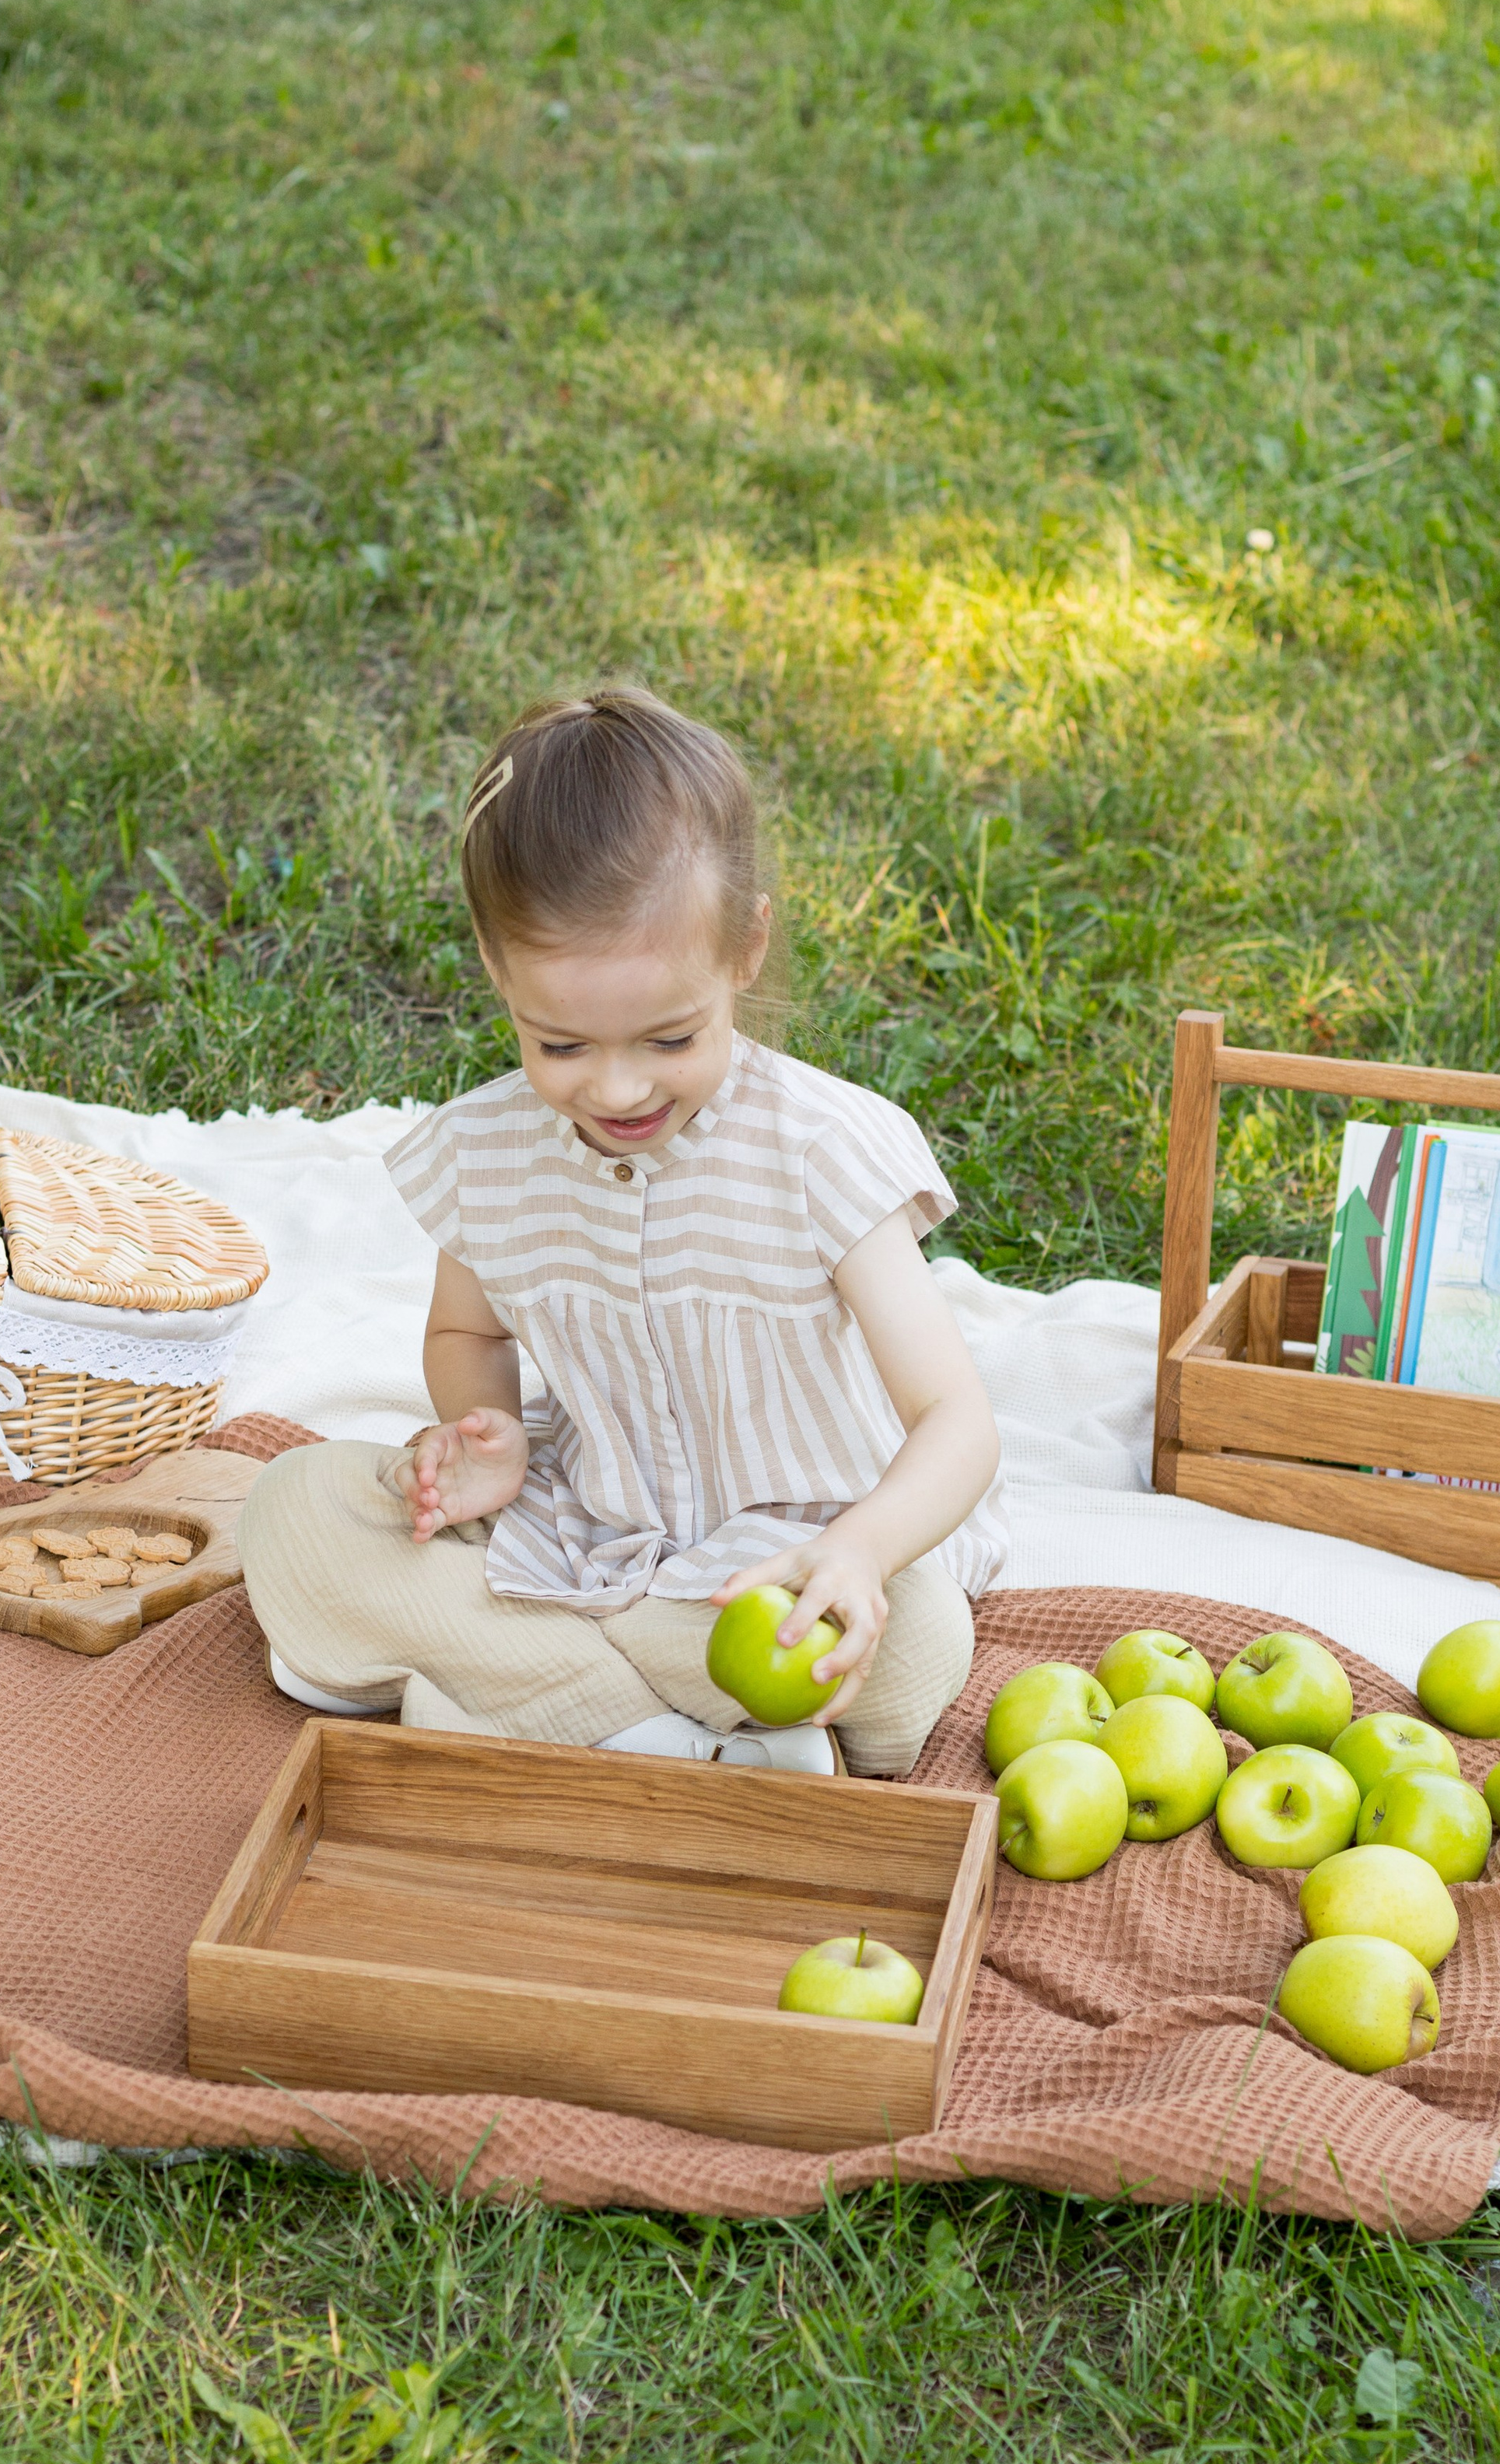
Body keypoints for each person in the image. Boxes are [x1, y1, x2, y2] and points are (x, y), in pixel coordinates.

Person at [237, 688, 1004, 1778]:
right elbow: (466, 1338)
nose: (618, 1085)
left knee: (917, 1640)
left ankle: (509, 1693)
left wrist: (861, 1552)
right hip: (584, 1524)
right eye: (560, 1047)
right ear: (499, 977)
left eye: (669, 1036)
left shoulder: (823, 1150)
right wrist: (484, 1436)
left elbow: (957, 1420)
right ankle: (673, 1735)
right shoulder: (489, 1151)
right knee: (291, 1512)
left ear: (745, 949)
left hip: (788, 1549)